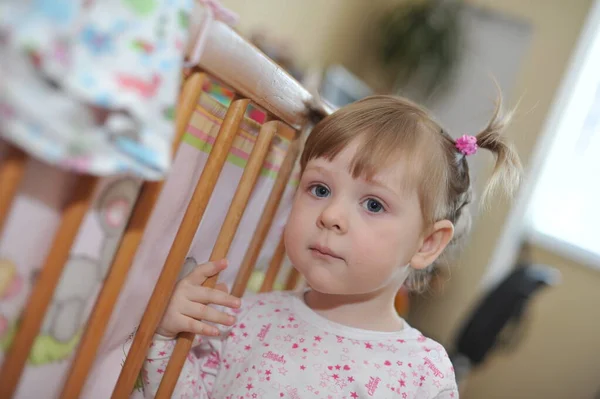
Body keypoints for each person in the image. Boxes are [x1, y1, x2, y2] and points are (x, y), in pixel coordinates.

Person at [142, 94, 522, 398]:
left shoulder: (421, 373)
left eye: (373, 204)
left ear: (426, 244)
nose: (331, 215)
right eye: (319, 189)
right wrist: (164, 335)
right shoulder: (242, 320)